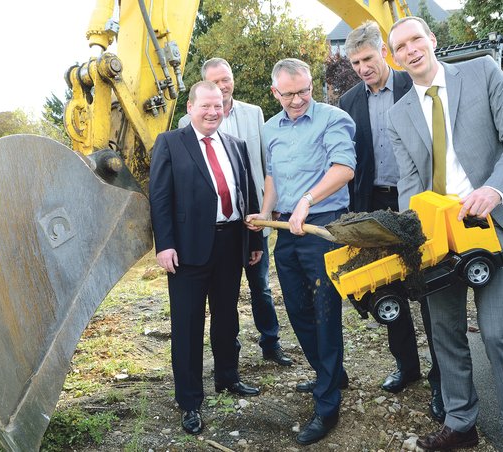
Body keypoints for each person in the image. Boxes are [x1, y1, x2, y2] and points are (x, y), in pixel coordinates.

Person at [386, 16, 503, 452]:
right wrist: (412, 240)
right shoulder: (398, 115)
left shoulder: (482, 73)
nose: (411, 49)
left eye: (416, 39)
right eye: (400, 47)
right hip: (438, 234)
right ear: (394, 57)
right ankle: (461, 424)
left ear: (432, 40)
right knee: (446, 333)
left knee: (499, 334)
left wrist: (495, 188)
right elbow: (411, 183)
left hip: (491, 220)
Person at [339, 20, 444, 423]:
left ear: (384, 51)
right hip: (375, 205)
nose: (362, 67)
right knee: (390, 291)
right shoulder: (348, 101)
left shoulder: (411, 84)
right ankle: (407, 366)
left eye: (367, 58)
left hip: (417, 202)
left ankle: (441, 377)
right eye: (354, 62)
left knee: (431, 289)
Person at [247, 58, 356, 446]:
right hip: (286, 231)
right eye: (289, 93)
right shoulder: (270, 128)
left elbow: (344, 168)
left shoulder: (332, 118)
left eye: (304, 91)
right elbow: (274, 176)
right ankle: (331, 373)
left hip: (322, 227)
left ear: (312, 85)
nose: (298, 99)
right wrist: (264, 213)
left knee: (325, 312)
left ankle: (327, 404)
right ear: (275, 92)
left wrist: (308, 201)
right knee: (296, 308)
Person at [149, 81, 263, 436]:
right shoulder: (170, 143)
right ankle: (189, 401)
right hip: (187, 250)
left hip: (231, 244)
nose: (214, 112)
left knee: (228, 317)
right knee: (187, 326)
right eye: (206, 106)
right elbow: (160, 198)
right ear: (190, 106)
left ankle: (228, 378)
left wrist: (255, 238)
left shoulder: (236, 145)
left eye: (219, 106)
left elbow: (249, 193)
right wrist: (164, 245)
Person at [178, 58, 292, 367]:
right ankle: (230, 355)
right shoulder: (187, 125)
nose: (223, 86)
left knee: (261, 287)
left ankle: (271, 343)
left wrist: (270, 207)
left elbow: (266, 164)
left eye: (226, 79)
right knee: (223, 298)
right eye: (215, 82)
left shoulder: (254, 114)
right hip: (212, 227)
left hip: (253, 216)